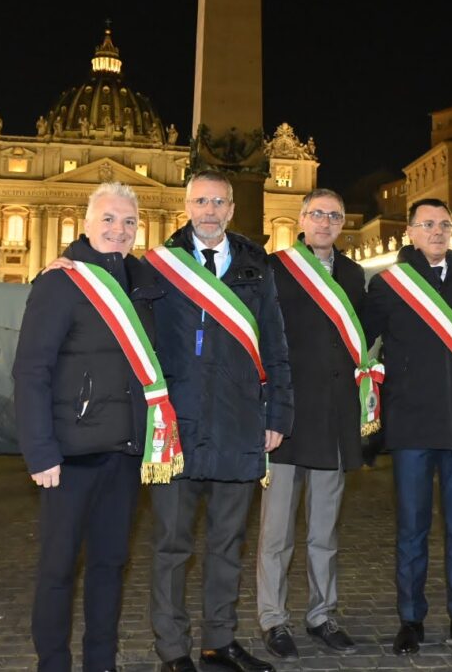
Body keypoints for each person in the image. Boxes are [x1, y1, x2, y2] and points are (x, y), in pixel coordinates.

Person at [13, 182, 166, 672]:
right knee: (58, 570)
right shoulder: (59, 283)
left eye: (127, 222)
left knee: (109, 567)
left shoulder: (144, 284)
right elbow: (30, 370)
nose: (118, 230)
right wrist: (40, 452)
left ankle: (101, 662)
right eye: (108, 219)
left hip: (123, 452)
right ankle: (52, 664)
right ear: (86, 224)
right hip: (69, 455)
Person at [144, 171, 292, 672]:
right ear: (187, 206)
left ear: (231, 210)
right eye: (200, 201)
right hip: (178, 426)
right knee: (171, 546)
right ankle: (172, 650)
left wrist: (279, 412)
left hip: (238, 423)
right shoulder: (159, 266)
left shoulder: (256, 265)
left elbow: (275, 346)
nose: (209, 210)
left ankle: (219, 641)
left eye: (219, 202)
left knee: (228, 545)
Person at [363, 198, 452, 657]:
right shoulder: (388, 284)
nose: (437, 232)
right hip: (411, 423)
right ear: (411, 232)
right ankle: (411, 619)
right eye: (427, 225)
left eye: (444, 224)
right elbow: (359, 336)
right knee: (412, 530)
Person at [257, 189, 367, 659]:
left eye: (334, 215)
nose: (325, 222)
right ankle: (272, 619)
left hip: (334, 417)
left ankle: (322, 614)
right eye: (317, 214)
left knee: (325, 530)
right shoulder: (275, 268)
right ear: (301, 219)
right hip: (287, 416)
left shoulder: (354, 274)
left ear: (343, 223)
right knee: (276, 532)